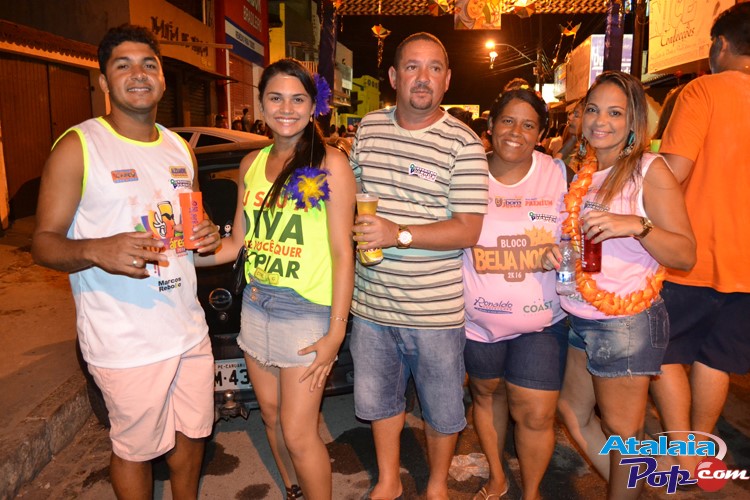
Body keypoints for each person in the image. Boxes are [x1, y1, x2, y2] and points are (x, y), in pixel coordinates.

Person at [30, 24, 222, 498]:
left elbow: (191, 225)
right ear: (104, 82)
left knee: (193, 435)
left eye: (149, 65)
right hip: (124, 340)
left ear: (162, 79)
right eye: (124, 65)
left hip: (187, 328)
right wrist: (97, 249)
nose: (139, 74)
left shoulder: (179, 148)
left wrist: (208, 234)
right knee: (135, 450)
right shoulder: (79, 146)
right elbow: (43, 244)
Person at [199, 58, 356, 500]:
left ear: (313, 106)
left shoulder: (330, 163)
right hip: (256, 304)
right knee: (269, 415)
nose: (286, 108)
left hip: (306, 311)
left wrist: (336, 332)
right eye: (276, 98)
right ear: (262, 104)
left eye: (297, 99)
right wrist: (180, 256)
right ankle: (293, 490)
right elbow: (237, 243)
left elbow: (344, 253)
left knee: (299, 432)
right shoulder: (251, 163)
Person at [541, 71, 695, 499]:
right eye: (593, 109)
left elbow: (685, 254)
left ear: (633, 122)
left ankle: (629, 489)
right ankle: (638, 484)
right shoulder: (587, 173)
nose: (600, 121)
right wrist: (558, 251)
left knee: (623, 433)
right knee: (573, 411)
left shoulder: (650, 170)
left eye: (614, 113)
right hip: (582, 316)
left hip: (625, 323)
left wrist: (637, 225)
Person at [350, 32, 489, 500]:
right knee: (380, 402)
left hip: (435, 313)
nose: (423, 77)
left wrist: (399, 234)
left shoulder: (463, 143)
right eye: (412, 66)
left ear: (447, 80)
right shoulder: (368, 128)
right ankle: (388, 480)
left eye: (434, 68)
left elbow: (468, 229)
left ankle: (436, 485)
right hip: (371, 305)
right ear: (394, 76)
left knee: (443, 410)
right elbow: (350, 193)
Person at [649, 2, 750, 475]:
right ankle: (702, 449)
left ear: (722, 44)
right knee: (717, 359)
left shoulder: (703, 90)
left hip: (690, 257)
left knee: (663, 351)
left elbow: (673, 171)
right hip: (746, 268)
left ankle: (682, 451)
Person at [463, 88, 568, 500]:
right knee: (487, 396)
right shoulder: (467, 171)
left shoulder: (557, 173)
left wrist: (568, 250)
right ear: (490, 125)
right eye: (508, 121)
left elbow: (578, 229)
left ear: (541, 134)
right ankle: (498, 477)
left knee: (537, 413)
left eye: (528, 125)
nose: (516, 132)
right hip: (477, 322)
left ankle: (532, 492)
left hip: (541, 320)